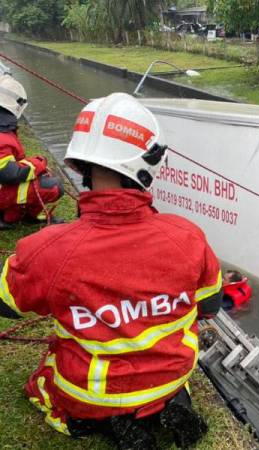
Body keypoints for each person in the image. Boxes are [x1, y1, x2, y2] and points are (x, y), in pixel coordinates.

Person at [0, 93, 223, 450]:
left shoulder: (49, 249)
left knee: (42, 384)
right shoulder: (187, 236)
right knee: (163, 373)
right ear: (150, 164)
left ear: (81, 165)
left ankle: (104, 420)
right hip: (172, 375)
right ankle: (167, 403)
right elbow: (211, 305)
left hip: (92, 392)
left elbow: (7, 302)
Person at [0, 74, 63, 229]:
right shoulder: (2, 135)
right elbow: (8, 174)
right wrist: (37, 164)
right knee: (52, 186)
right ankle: (10, 216)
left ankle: (10, 215)